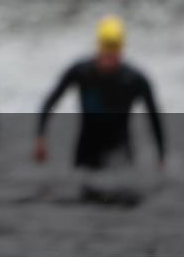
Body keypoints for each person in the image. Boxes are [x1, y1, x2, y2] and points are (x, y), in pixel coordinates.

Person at [35, 15, 165, 170]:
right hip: (86, 153)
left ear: (122, 48)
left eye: (114, 47)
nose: (110, 54)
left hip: (121, 153)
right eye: (106, 47)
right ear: (99, 46)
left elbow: (154, 117)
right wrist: (41, 137)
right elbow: (50, 101)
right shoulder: (81, 72)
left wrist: (161, 156)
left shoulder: (135, 80)